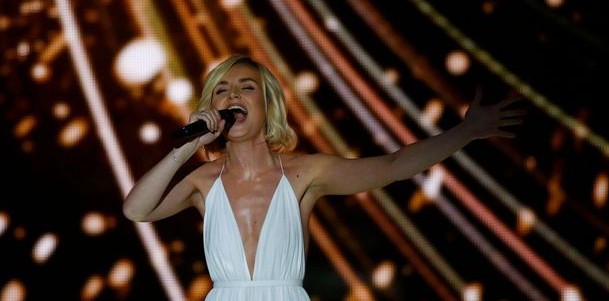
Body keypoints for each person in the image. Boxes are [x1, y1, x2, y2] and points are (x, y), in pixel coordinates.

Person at [122, 54, 525, 300]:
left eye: (246, 88)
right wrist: (186, 149)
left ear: (268, 106)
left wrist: (465, 132)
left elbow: (394, 166)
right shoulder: (202, 182)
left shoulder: (304, 173)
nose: (232, 97)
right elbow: (136, 210)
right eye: (221, 90)